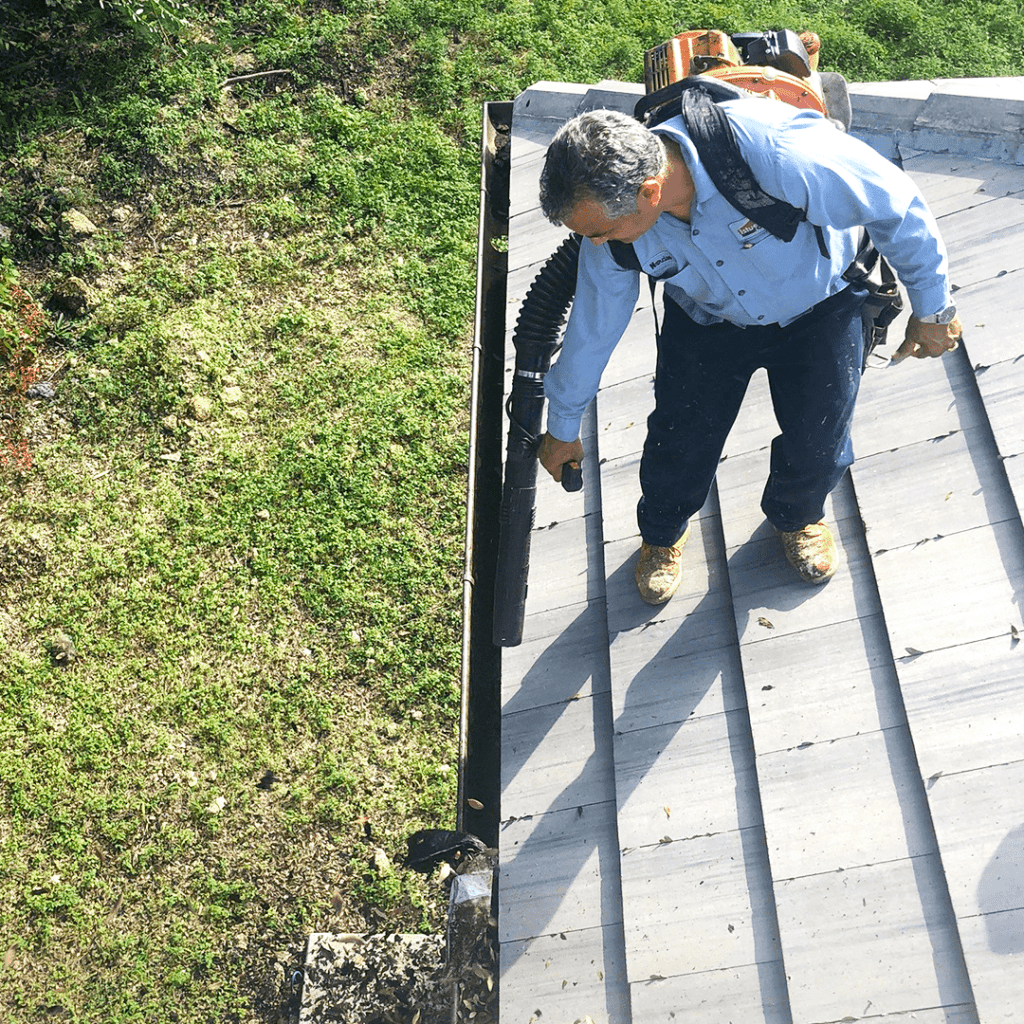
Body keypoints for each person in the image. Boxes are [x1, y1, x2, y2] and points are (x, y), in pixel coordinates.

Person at [535, 101, 962, 604]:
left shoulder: (778, 155)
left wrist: (932, 309)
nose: (595, 244)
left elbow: (894, 204)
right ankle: (662, 532)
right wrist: (562, 429)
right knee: (680, 435)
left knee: (819, 434)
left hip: (820, 308)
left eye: (599, 232)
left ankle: (798, 516)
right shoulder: (611, 231)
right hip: (706, 321)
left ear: (649, 192)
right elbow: (592, 329)